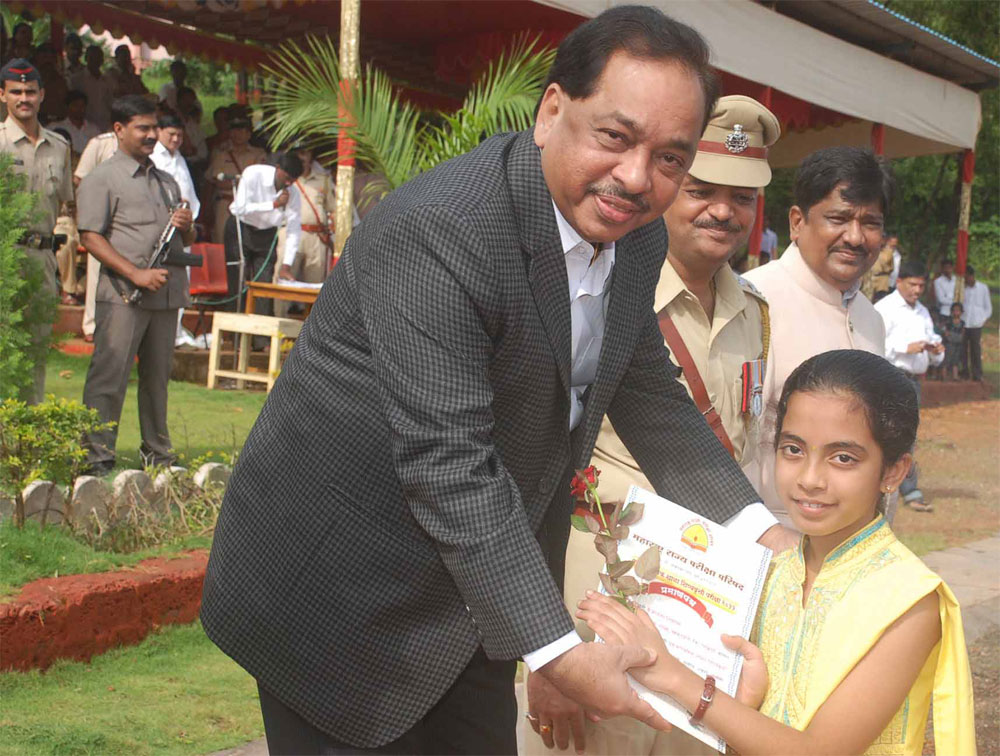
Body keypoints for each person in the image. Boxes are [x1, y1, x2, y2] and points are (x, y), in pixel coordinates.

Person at [202, 7, 792, 754]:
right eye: (615, 137)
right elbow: (450, 463)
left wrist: (770, 541)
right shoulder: (442, 231)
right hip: (337, 598)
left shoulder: (636, 234)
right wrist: (561, 655)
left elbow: (648, 394)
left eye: (670, 157)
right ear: (551, 112)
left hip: (475, 599)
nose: (637, 177)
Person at [528, 94, 781, 756]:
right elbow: (535, 470)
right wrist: (547, 651)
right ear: (666, 186)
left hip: (708, 600)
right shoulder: (600, 292)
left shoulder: (754, 311)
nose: (723, 211)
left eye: (742, 198)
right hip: (601, 582)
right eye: (701, 190)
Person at [578, 349, 975, 756]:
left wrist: (676, 677)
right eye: (794, 450)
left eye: (843, 458)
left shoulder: (910, 601)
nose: (810, 479)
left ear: (893, 471)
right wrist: (744, 702)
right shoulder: (769, 572)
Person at [743, 146, 891, 522]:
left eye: (870, 223)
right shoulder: (754, 303)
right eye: (838, 218)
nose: (855, 237)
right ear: (797, 222)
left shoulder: (870, 318)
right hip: (775, 536)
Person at [76, 95, 195, 474]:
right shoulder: (102, 178)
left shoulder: (166, 180)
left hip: (165, 295)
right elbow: (90, 237)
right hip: (123, 295)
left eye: (154, 127)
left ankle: (158, 454)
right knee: (109, 377)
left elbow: (184, 241)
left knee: (157, 380)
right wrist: (135, 273)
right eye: (142, 128)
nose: (151, 135)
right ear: (119, 129)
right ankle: (96, 457)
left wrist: (187, 225)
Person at [0, 58, 73, 403]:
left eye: (30, 91)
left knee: (36, 349)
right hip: (4, 257)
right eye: (16, 91)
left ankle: (28, 426)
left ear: (42, 95)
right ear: (2, 95)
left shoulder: (59, 146)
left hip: (43, 256)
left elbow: (65, 206)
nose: (24, 98)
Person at [875, 260, 943, 513]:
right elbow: (875, 344)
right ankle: (882, 484)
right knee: (882, 432)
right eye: (913, 285)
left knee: (907, 435)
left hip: (913, 381)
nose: (917, 290)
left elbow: (933, 341)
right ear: (899, 281)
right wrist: (905, 348)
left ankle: (906, 488)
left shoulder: (922, 311)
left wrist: (936, 350)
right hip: (888, 377)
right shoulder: (884, 309)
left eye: (921, 286)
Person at [224, 153, 303, 320]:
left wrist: (286, 265)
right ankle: (234, 330)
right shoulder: (253, 173)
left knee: (264, 285)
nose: (288, 184)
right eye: (287, 178)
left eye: (293, 181)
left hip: (267, 235)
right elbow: (239, 208)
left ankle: (259, 333)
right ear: (278, 169)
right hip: (241, 228)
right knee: (238, 282)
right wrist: (273, 204)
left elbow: (294, 229)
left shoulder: (293, 192)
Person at [151, 111, 202, 348]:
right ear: (159, 131)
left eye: (180, 136)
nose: (175, 139)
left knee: (181, 280)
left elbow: (189, 194)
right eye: (171, 134)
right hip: (160, 227)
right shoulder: (153, 156)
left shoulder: (180, 158)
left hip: (183, 228)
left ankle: (176, 331)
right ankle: (159, 333)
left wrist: (189, 218)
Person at [75, 129, 119, 342]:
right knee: (95, 273)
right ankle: (92, 325)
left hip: (128, 219)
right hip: (101, 218)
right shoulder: (101, 143)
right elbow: (80, 178)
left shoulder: (149, 146)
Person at [274, 143, 333, 295]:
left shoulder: (324, 180)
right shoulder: (284, 178)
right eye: (297, 153)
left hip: (316, 237)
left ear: (311, 155)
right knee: (283, 286)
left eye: (304, 153)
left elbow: (334, 209)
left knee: (315, 286)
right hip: (290, 233)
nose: (301, 158)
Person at [206, 114, 266, 243]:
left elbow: (259, 181)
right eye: (234, 130)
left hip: (250, 204)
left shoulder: (258, 154)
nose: (237, 134)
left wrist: (235, 182)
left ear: (248, 134)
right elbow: (219, 182)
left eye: (241, 130)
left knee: (249, 242)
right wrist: (245, 182)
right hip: (226, 204)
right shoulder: (221, 154)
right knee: (222, 241)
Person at [69, 45, 114, 131]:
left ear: (102, 60)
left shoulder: (108, 80)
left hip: (106, 125)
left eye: (98, 57)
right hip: (85, 127)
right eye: (92, 57)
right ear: (86, 58)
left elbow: (111, 102)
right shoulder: (77, 80)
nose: (95, 60)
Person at [960, 265, 992, 382]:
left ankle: (977, 374)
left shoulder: (982, 288)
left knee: (975, 350)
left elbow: (988, 307)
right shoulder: (962, 289)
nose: (966, 279)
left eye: (967, 277)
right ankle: (964, 372)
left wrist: (982, 319)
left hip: (976, 324)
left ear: (972, 276)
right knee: (962, 349)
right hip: (963, 323)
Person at [31, 42, 68, 124]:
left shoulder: (61, 81)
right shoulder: (28, 81)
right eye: (44, 57)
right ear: (37, 58)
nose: (48, 60)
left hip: (57, 123)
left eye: (51, 57)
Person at [940, 302, 965, 382]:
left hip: (958, 343)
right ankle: (944, 376)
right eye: (954, 310)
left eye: (958, 310)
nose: (956, 312)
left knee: (956, 360)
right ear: (951, 311)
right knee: (947, 359)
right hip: (949, 343)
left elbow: (963, 333)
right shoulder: (948, 322)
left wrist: (958, 338)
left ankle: (955, 376)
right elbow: (945, 332)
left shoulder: (962, 323)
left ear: (961, 312)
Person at [869, 234, 897, 303]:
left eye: (883, 239)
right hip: (870, 279)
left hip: (882, 281)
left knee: (880, 300)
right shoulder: (871, 250)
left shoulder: (889, 252)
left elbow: (891, 267)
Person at [931, 257, 956, 323]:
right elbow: (941, 299)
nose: (947, 270)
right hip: (945, 312)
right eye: (945, 268)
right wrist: (955, 302)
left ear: (952, 268)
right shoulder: (938, 281)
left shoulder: (957, 280)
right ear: (942, 269)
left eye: (949, 267)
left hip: (957, 313)